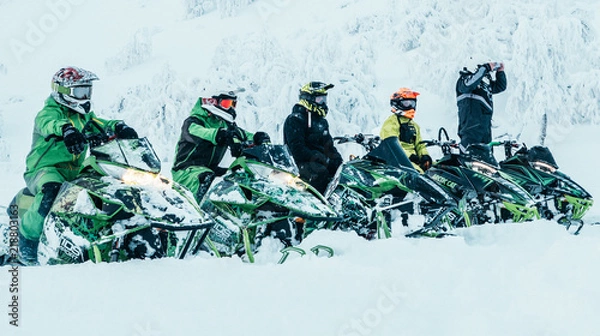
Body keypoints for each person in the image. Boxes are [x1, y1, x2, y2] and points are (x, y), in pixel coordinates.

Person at [19, 66, 139, 265]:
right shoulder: (49, 112)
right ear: (63, 92)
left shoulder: (84, 117)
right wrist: (66, 130)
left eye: (87, 91)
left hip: (75, 172)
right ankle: (26, 241)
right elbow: (50, 123)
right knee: (52, 190)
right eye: (80, 91)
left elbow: (100, 123)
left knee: (104, 191)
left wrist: (118, 126)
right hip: (44, 171)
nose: (85, 96)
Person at [171, 91, 270, 203]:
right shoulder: (193, 122)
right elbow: (199, 132)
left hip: (212, 168)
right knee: (207, 178)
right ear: (211, 101)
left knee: (239, 177)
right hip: (186, 171)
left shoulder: (225, 124)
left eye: (233, 104)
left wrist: (258, 139)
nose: (231, 108)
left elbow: (242, 134)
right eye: (227, 104)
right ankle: (199, 214)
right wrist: (219, 135)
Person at [283, 81, 343, 194]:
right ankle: (319, 205)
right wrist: (318, 157)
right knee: (320, 172)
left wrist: (339, 162)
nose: (323, 103)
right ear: (308, 99)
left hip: (318, 162)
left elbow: (329, 147)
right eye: (320, 100)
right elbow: (296, 149)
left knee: (342, 173)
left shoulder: (321, 122)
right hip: (298, 164)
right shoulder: (295, 119)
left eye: (324, 99)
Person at [456, 61, 507, 152]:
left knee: (488, 162)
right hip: (470, 131)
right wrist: (485, 68)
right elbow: (469, 84)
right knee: (471, 160)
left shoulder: (485, 86)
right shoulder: (464, 80)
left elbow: (500, 86)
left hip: (485, 131)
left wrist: (500, 72)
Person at [380, 88, 432, 172]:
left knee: (437, 171)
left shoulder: (414, 125)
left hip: (413, 161)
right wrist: (409, 156)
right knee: (421, 175)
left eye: (412, 103)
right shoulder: (391, 122)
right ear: (397, 104)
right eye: (407, 103)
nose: (411, 106)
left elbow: (420, 144)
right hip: (399, 161)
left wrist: (424, 156)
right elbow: (391, 146)